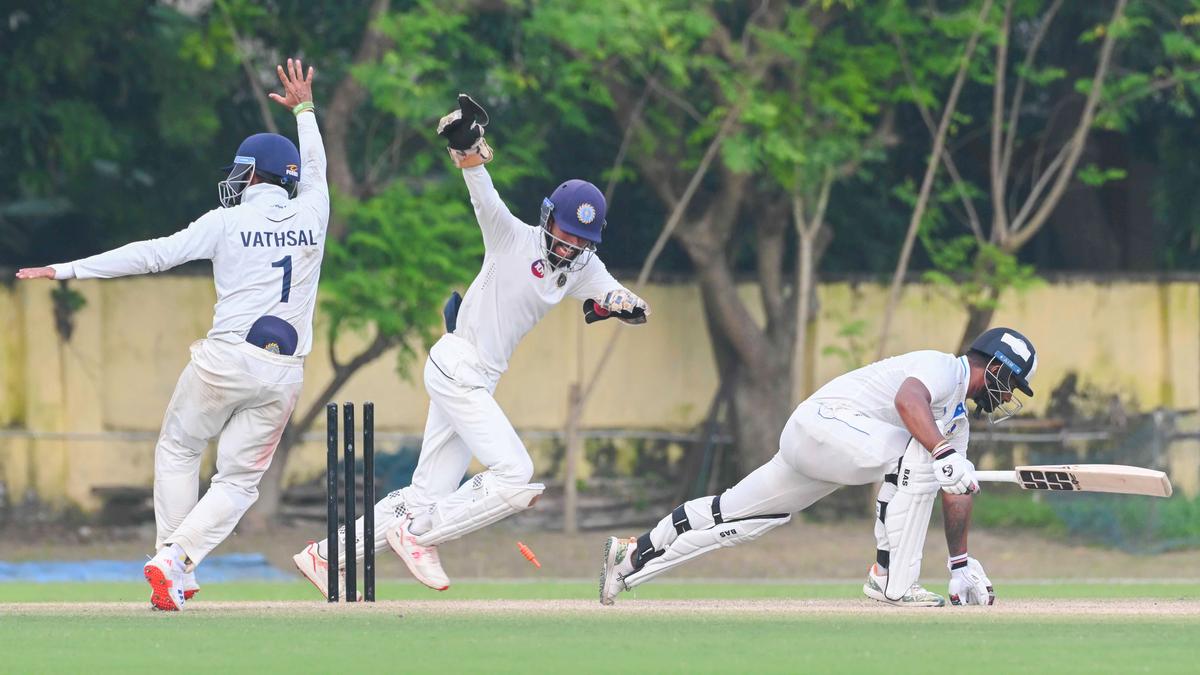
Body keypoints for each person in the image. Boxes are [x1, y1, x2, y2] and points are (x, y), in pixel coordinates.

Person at [293, 94, 651, 595]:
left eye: (580, 241)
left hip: (476, 379)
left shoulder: (582, 268)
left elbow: (610, 289)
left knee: (425, 493)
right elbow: (482, 190)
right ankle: (417, 535)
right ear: (547, 220)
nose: (568, 247)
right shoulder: (512, 237)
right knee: (515, 472)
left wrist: (629, 304)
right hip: (457, 363)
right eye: (564, 235)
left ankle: (325, 555)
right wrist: (467, 147)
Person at [16, 59, 328, 611]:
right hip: (284, 372)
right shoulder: (315, 211)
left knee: (180, 448)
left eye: (243, 170)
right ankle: (176, 563)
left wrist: (65, 269)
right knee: (237, 483)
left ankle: (171, 560)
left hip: (224, 360)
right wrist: (305, 109)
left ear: (257, 175)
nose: (236, 177)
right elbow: (319, 169)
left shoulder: (224, 222)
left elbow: (152, 254)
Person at [599, 327, 1038, 607]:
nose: (1009, 395)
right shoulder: (943, 368)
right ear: (996, 366)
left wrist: (960, 565)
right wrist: (943, 455)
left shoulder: (956, 422)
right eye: (1012, 383)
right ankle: (891, 580)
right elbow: (909, 402)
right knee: (917, 453)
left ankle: (631, 556)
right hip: (823, 423)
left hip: (827, 449)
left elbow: (954, 488)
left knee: (738, 515)